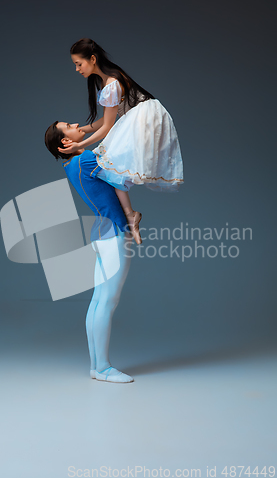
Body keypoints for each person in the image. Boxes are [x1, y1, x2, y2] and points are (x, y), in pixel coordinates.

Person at [57, 37, 184, 237]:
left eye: (78, 64)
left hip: (144, 118)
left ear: (92, 59)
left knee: (108, 162)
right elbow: (107, 118)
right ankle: (130, 215)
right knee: (110, 167)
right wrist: (81, 130)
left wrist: (79, 144)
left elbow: (107, 127)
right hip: (141, 116)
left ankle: (130, 215)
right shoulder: (107, 80)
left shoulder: (111, 83)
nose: (77, 69)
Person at [45, 120, 135, 383]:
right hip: (114, 233)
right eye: (69, 125)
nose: (76, 124)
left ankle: (97, 366)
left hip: (100, 232)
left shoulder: (72, 165)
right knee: (107, 301)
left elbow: (98, 128)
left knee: (99, 300)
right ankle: (104, 368)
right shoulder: (85, 159)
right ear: (65, 142)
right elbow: (120, 180)